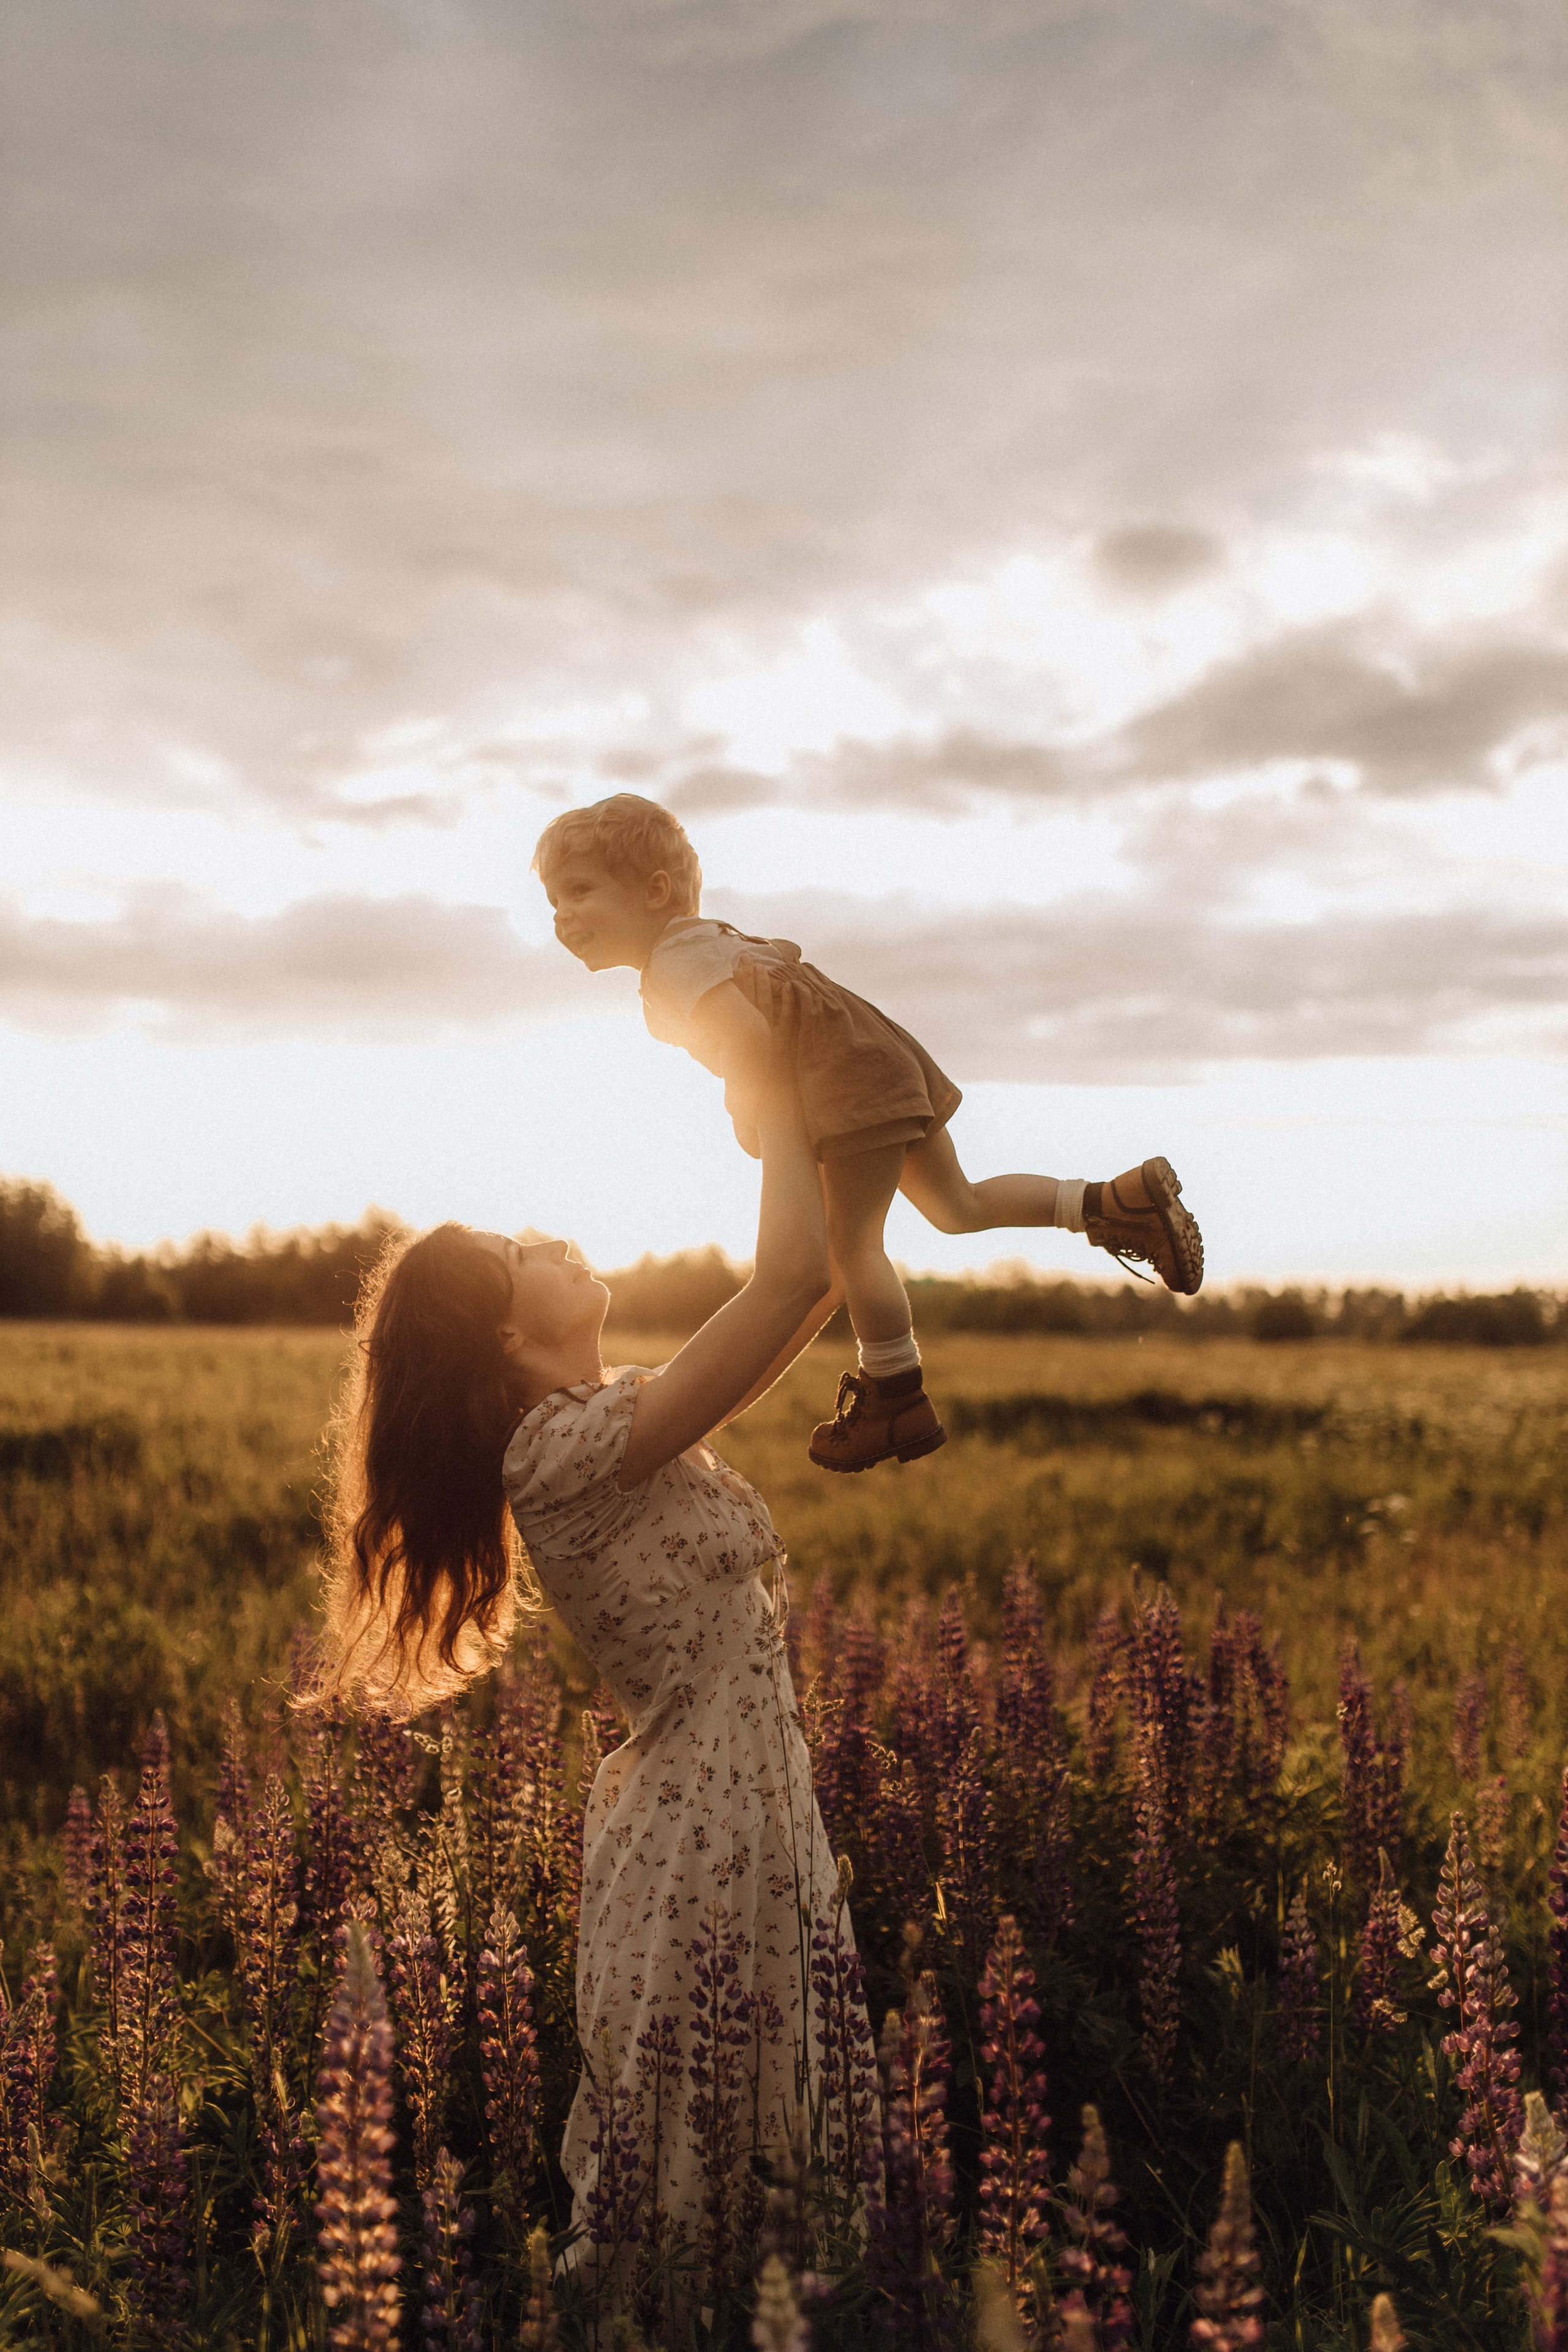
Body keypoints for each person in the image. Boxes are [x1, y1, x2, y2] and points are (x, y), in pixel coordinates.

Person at [318, 1042, 865, 2301]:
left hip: (743, 1793)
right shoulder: (555, 1451)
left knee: (758, 2140)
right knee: (690, 2176)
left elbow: (811, 1284)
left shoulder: (615, 1419)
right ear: (506, 1335)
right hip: (703, 1822)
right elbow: (784, 1281)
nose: (549, 1238)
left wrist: (846, 1139)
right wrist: (776, 1092)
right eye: (521, 1255)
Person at [532, 792, 1205, 1473]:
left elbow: (750, 1040)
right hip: (877, 1054)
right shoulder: (714, 940)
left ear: (655, 892)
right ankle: (1114, 1203)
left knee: (851, 1246)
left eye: (579, 892)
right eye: (554, 900)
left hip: (844, 1080)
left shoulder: (671, 966)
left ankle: (895, 1392)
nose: (562, 915)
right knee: (956, 1205)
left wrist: (747, 1112)